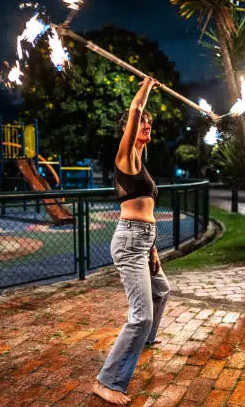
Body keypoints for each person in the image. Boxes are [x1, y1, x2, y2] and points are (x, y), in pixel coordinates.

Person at [93, 77, 170, 405]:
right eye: (142, 122)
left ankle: (144, 341)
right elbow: (136, 108)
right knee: (141, 314)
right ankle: (106, 380)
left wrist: (153, 250)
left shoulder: (143, 165)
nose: (146, 125)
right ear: (129, 129)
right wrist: (148, 84)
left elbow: (148, 211)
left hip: (144, 241)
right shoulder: (125, 158)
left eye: (150, 123)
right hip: (128, 241)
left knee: (162, 292)